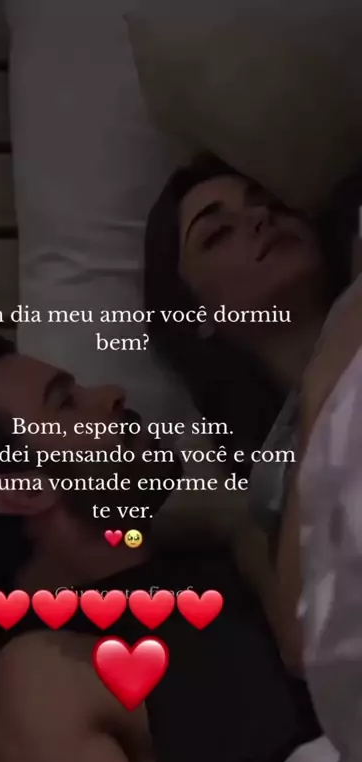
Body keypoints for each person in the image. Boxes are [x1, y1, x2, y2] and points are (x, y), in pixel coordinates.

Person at [0, 331, 320, 762]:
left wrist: (240, 532)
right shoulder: (43, 679)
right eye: (66, 403)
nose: (112, 394)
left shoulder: (216, 547)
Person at [144, 154, 361, 670]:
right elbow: (306, 644)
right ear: (197, 316)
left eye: (268, 203)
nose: (262, 218)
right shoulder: (267, 483)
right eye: (218, 234)